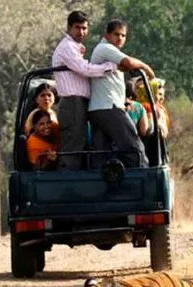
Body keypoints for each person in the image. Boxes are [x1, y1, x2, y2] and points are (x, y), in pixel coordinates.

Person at [52, 11, 123, 169]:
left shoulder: (75, 47)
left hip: (80, 103)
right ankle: (66, 185)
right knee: (73, 147)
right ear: (69, 27)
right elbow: (84, 69)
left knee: (81, 144)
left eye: (84, 28)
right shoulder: (67, 47)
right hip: (72, 103)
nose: (81, 32)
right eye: (77, 28)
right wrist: (109, 67)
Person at [88, 19, 154, 168]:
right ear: (107, 34)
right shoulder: (105, 48)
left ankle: (102, 188)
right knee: (134, 148)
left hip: (99, 109)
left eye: (123, 35)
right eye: (116, 34)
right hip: (108, 107)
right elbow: (129, 63)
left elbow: (124, 66)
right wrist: (146, 67)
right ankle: (143, 180)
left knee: (102, 153)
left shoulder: (109, 52)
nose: (120, 38)